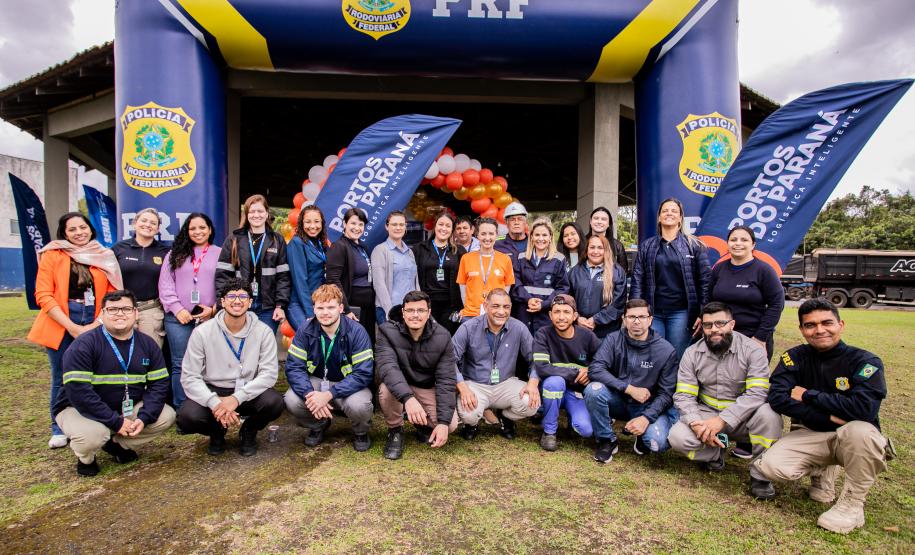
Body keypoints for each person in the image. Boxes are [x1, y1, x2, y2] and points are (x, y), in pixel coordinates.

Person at [754, 299, 890, 534]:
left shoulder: (865, 361)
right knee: (769, 467)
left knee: (859, 429)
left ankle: (852, 505)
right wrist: (832, 416)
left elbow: (863, 410)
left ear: (841, 324)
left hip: (852, 437)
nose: (819, 330)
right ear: (802, 330)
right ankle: (821, 472)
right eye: (810, 325)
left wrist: (807, 395)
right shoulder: (794, 358)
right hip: (812, 434)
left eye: (827, 323)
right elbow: (777, 397)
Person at [667, 302, 782, 500]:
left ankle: (761, 474)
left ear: (732, 324)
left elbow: (758, 393)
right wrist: (695, 423)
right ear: (702, 327)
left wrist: (723, 420)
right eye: (708, 325)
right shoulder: (692, 353)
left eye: (720, 323)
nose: (714, 330)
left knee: (770, 416)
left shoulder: (753, 351)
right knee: (677, 437)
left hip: (745, 417)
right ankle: (715, 452)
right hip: (707, 414)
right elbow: (684, 395)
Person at [54, 290, 174, 476]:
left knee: (166, 416)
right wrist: (114, 421)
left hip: (125, 409)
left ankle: (116, 444)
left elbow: (159, 385)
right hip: (79, 410)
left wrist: (144, 417)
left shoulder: (147, 344)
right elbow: (79, 393)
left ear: (136, 313)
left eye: (126, 309)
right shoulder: (84, 344)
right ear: (102, 314)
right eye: (112, 309)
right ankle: (86, 458)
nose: (120, 314)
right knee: (93, 435)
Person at [28, 212, 122, 449]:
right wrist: (71, 326)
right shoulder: (52, 254)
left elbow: (113, 293)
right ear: (64, 233)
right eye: (72, 229)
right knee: (62, 375)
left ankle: (93, 419)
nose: (79, 233)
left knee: (96, 374)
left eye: (83, 228)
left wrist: (94, 325)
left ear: (90, 229)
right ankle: (58, 427)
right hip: (61, 318)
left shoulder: (104, 255)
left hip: (96, 317)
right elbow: (43, 294)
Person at [177, 278, 285, 456]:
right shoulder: (202, 332)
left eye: (243, 296)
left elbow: (269, 374)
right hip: (214, 389)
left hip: (247, 390)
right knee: (187, 417)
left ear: (250, 302)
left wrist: (236, 398)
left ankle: (249, 430)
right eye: (232, 296)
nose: (237, 300)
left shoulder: (263, 331)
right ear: (222, 301)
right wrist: (215, 403)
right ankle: (217, 431)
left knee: (274, 402)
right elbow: (190, 377)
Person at [583, 299, 678, 463]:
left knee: (657, 444)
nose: (636, 321)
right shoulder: (613, 339)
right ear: (624, 319)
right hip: (618, 400)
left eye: (642, 317)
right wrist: (628, 388)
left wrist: (646, 418)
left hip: (646, 405)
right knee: (594, 390)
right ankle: (606, 441)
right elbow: (596, 369)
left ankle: (642, 436)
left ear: (650, 320)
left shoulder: (666, 350)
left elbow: (667, 394)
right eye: (631, 317)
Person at [284, 284, 374, 452]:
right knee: (291, 399)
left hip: (349, 384)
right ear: (314, 309)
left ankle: (360, 432)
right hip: (317, 383)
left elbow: (363, 373)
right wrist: (309, 395)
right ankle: (319, 425)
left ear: (340, 308)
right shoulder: (305, 329)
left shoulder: (357, 331)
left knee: (359, 405)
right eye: (321, 307)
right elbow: (294, 367)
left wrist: (328, 395)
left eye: (331, 307)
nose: (325, 312)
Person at [376, 291, 458, 460]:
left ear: (428, 313)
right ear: (403, 313)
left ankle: (417, 421)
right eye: (410, 310)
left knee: (450, 425)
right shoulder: (386, 331)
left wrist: (443, 423)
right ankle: (395, 430)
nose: (415, 315)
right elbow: (387, 368)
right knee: (385, 390)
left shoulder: (442, 337)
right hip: (398, 386)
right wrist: (408, 398)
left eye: (420, 311)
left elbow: (446, 380)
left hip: (425, 386)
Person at [452, 288, 540, 440]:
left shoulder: (519, 327)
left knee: (530, 404)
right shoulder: (468, 327)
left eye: (506, 307)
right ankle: (471, 424)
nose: (501, 312)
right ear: (485, 307)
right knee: (469, 414)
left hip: (505, 383)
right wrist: (463, 388)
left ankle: (506, 417)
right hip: (475, 384)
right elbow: (449, 360)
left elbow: (536, 358)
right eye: (496, 306)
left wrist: (532, 383)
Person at [630, 197, 711, 358]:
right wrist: (635, 310)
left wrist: (703, 312)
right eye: (665, 210)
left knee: (677, 357)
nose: (669, 213)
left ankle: (676, 385)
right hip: (653, 312)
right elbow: (637, 279)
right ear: (659, 217)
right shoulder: (647, 245)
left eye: (674, 211)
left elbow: (705, 282)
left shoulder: (694, 245)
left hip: (681, 313)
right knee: (654, 356)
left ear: (680, 218)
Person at [158, 213, 220, 409]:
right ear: (187, 231)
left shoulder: (220, 253)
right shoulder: (174, 254)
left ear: (210, 230)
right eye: (193, 228)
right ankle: (181, 407)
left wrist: (213, 309)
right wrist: (177, 310)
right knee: (180, 363)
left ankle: (207, 406)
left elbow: (226, 284)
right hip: (178, 319)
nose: (198, 232)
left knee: (209, 363)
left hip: (209, 317)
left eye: (202, 227)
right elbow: (165, 286)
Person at [532, 294, 601, 451]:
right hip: (551, 388)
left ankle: (571, 420)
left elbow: (603, 362)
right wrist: (575, 373)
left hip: (576, 392)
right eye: (556, 312)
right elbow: (542, 367)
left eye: (566, 312)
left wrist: (590, 370)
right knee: (555, 382)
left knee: (586, 430)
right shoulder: (543, 334)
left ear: (575, 315)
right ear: (550, 315)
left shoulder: (588, 336)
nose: (561, 317)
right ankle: (549, 431)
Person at [215, 194, 290, 334]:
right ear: (246, 214)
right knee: (239, 348)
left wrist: (280, 306)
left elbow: (283, 277)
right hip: (239, 304)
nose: (257, 215)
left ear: (267, 213)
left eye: (260, 211)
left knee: (264, 349)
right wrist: (223, 304)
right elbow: (222, 276)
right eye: (252, 211)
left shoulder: (277, 240)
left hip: (268, 307)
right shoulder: (233, 239)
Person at [708, 225, 784, 360]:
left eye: (744, 240)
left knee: (750, 380)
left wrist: (760, 337)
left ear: (753, 244)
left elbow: (777, 304)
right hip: (722, 336)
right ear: (728, 243)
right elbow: (708, 299)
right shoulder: (719, 269)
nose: (738, 243)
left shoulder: (764, 270)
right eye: (733, 239)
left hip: (752, 336)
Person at [111, 207, 171, 348]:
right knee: (121, 351)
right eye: (144, 220)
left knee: (149, 353)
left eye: (153, 223)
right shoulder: (119, 249)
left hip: (151, 310)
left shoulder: (165, 252)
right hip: (123, 309)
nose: (148, 225)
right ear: (134, 223)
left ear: (157, 229)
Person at [325, 207, 377, 344]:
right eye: (353, 223)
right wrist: (346, 310)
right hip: (352, 309)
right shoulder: (339, 246)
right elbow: (333, 280)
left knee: (367, 345)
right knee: (353, 347)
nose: (357, 228)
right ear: (344, 224)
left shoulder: (363, 247)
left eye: (361, 224)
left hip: (368, 308)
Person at [511, 218, 569, 334]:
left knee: (543, 349)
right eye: (537, 235)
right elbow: (515, 284)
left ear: (550, 237)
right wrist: (529, 299)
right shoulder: (521, 258)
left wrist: (543, 304)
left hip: (546, 317)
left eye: (544, 235)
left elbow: (563, 289)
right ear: (531, 237)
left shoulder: (559, 259)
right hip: (523, 314)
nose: (540, 239)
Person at [412, 211, 465, 334]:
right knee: (428, 338)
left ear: (452, 230)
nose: (444, 228)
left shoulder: (459, 251)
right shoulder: (420, 249)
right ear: (435, 226)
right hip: (426, 304)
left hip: (451, 306)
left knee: (446, 338)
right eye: (441, 224)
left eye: (448, 226)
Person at [456, 218, 515, 321]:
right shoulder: (466, 258)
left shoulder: (505, 259)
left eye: (491, 234)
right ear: (477, 235)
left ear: (496, 235)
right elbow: (462, 287)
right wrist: (467, 308)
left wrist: (500, 308)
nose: (487, 238)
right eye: (483, 234)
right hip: (471, 315)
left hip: (496, 314)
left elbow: (507, 288)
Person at [568, 235, 626, 339]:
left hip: (607, 333)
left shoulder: (617, 272)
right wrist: (577, 318)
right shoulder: (575, 272)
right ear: (586, 250)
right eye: (592, 247)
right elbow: (568, 300)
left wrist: (595, 320)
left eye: (600, 248)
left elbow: (618, 304)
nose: (595, 251)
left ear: (606, 250)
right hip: (579, 331)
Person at [286, 204, 329, 332]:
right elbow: (300, 282)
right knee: (309, 336)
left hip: (318, 302)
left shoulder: (321, 243)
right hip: (299, 304)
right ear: (301, 223)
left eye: (316, 221)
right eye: (308, 222)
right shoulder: (297, 243)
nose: (312, 226)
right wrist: (311, 313)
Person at [371, 210, 419, 324]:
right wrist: (390, 312)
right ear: (387, 227)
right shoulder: (380, 250)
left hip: (410, 311)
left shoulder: (410, 252)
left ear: (405, 227)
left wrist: (419, 305)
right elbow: (379, 284)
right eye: (394, 224)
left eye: (401, 224)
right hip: (389, 310)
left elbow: (415, 282)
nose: (398, 228)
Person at [586, 207, 628, 275]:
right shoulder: (582, 241)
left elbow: (623, 273)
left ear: (608, 224)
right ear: (590, 222)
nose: (599, 222)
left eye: (603, 219)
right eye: (596, 218)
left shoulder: (617, 245)